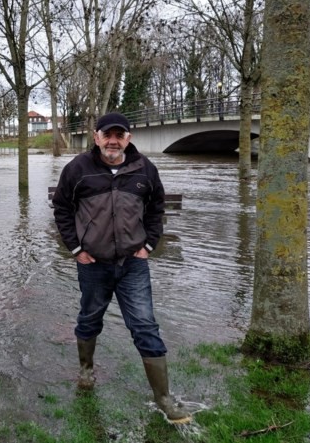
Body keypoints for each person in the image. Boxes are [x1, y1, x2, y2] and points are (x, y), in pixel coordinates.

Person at [51, 112, 191, 424]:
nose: (113, 140)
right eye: (107, 134)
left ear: (128, 138)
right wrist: (76, 249)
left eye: (120, 135)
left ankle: (164, 399)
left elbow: (156, 207)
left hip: (133, 265)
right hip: (93, 264)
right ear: (96, 136)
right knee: (89, 319)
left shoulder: (144, 168)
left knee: (145, 326)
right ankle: (86, 371)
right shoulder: (78, 169)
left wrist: (149, 245)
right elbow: (62, 208)